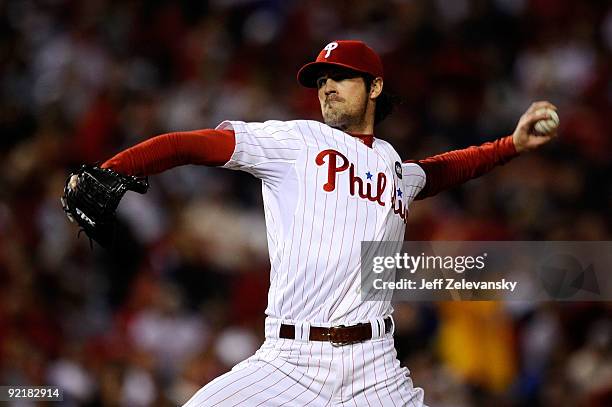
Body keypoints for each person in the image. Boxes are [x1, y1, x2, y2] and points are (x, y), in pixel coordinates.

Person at [70, 40, 558, 406]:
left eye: (340, 76)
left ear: (375, 87)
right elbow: (190, 144)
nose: (326, 87)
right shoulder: (296, 141)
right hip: (290, 361)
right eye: (321, 79)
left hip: (376, 368)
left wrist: (509, 146)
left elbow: (439, 171)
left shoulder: (392, 164)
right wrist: (114, 169)